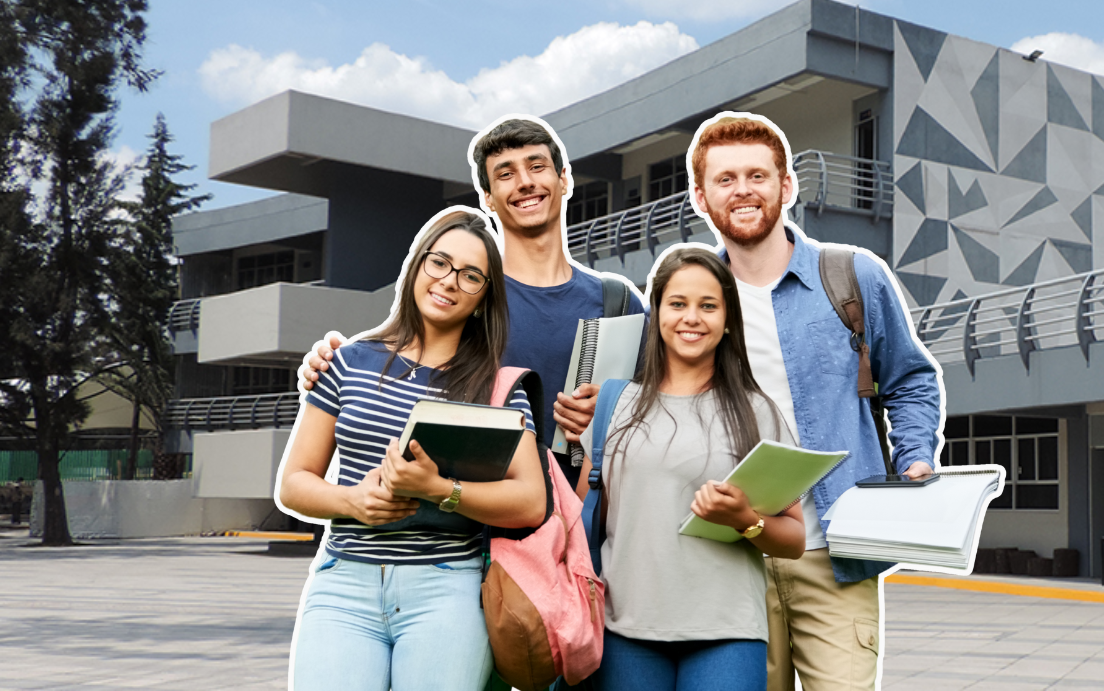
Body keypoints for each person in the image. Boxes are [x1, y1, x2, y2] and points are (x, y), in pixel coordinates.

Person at [687, 114, 942, 691]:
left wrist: (915, 456)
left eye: (758, 174)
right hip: (732, 558)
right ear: (701, 197)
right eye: (725, 180)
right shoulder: (692, 300)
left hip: (836, 552)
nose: (743, 190)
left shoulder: (852, 275)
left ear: (787, 185)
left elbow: (910, 380)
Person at [277, 209, 547, 691]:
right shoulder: (349, 362)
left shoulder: (498, 387)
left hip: (447, 589)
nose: (449, 282)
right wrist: (352, 503)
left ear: (485, 297)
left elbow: (530, 501)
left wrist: (441, 490)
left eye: (470, 276)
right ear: (417, 266)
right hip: (343, 584)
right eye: (439, 263)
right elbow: (294, 483)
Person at [302, 116, 645, 489]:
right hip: (479, 528)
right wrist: (333, 364)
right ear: (488, 199)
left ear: (564, 179)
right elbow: (401, 365)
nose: (525, 182)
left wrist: (614, 410)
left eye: (536, 166)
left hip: (592, 525)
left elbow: (667, 405)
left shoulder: (619, 302)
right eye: (505, 174)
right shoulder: (466, 297)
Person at [578, 246, 805, 691]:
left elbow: (794, 539)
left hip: (728, 632)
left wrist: (747, 520)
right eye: (677, 303)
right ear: (657, 309)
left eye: (708, 306)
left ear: (727, 319)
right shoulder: (613, 404)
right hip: (624, 628)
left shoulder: (756, 411)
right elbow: (585, 517)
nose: (692, 318)